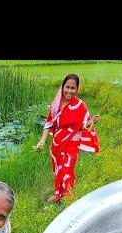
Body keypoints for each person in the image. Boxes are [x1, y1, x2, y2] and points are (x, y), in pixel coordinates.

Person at [35, 74, 100, 203]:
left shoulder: (80, 105)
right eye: (67, 87)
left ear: (77, 89)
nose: (69, 91)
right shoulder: (55, 104)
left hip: (71, 144)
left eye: (73, 88)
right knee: (58, 169)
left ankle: (69, 199)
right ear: (62, 87)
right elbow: (49, 123)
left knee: (67, 169)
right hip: (57, 144)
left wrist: (92, 121)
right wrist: (42, 141)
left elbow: (84, 126)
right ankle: (58, 195)